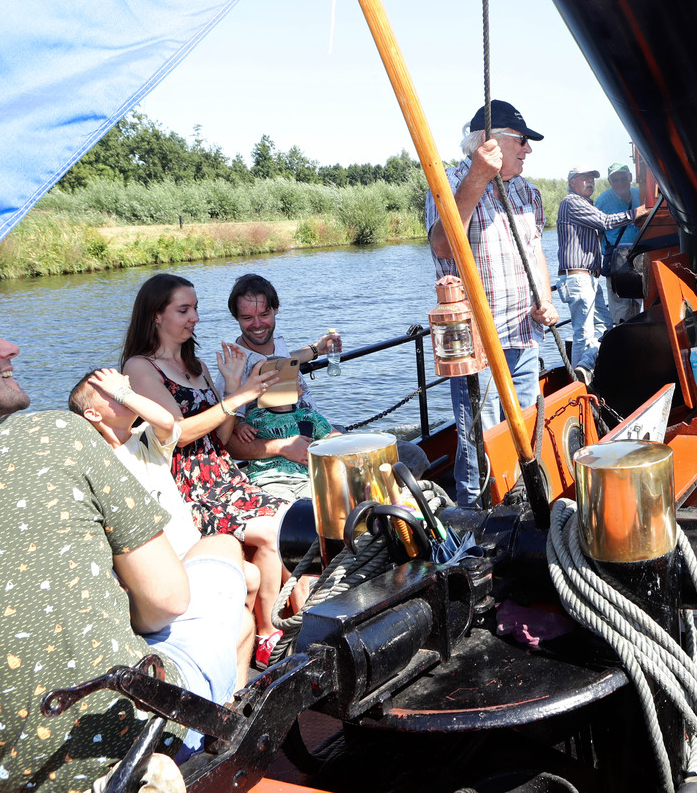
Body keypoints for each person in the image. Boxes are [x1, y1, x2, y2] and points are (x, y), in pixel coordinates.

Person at [0, 294, 250, 792]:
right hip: (125, 744)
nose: (10, 347)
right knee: (225, 559)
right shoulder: (55, 433)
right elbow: (166, 602)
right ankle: (221, 747)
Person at [119, 273, 290, 666]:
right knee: (267, 533)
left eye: (195, 307)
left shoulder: (193, 364)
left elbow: (223, 434)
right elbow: (177, 434)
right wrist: (243, 395)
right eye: (184, 309)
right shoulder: (141, 367)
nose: (195, 316)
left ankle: (276, 619)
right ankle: (265, 634)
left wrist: (230, 388)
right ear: (156, 316)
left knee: (288, 517)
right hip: (189, 484)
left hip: (223, 472)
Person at [69, 366, 261, 684]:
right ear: (93, 415)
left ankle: (225, 655)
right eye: (112, 393)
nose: (124, 390)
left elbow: (168, 421)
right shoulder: (99, 460)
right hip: (163, 566)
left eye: (125, 385)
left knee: (250, 578)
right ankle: (220, 652)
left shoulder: (146, 440)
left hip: (189, 548)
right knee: (246, 579)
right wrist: (124, 392)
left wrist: (125, 393)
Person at [425, 100, 559, 507]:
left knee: (524, 428)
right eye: (520, 140)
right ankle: (476, 519)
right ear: (488, 141)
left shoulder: (527, 192)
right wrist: (479, 178)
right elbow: (445, 245)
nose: (528, 150)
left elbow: (536, 253)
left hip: (523, 332)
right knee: (477, 437)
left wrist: (546, 301)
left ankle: (521, 504)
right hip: (477, 345)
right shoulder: (447, 182)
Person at [224, 273, 429, 498]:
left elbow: (280, 360)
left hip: (322, 432)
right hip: (295, 460)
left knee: (413, 456)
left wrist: (315, 349)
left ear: (276, 310)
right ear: (236, 318)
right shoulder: (236, 368)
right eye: (247, 318)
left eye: (264, 314)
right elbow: (230, 444)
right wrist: (280, 447)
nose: (257, 325)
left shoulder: (273, 345)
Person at [557, 165, 649, 381]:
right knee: (584, 334)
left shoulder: (585, 204)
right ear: (572, 182)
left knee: (604, 325)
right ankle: (580, 384)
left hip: (589, 277)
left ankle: (587, 367)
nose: (590, 182)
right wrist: (638, 212)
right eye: (584, 178)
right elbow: (605, 222)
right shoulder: (572, 202)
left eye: (592, 178)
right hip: (578, 277)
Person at [595, 161, 643, 325]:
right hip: (617, 262)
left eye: (623, 178)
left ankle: (635, 338)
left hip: (640, 259)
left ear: (630, 177)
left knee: (637, 303)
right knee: (620, 307)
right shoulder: (603, 201)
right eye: (615, 180)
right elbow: (597, 234)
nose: (620, 183)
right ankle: (621, 339)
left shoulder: (640, 194)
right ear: (610, 181)